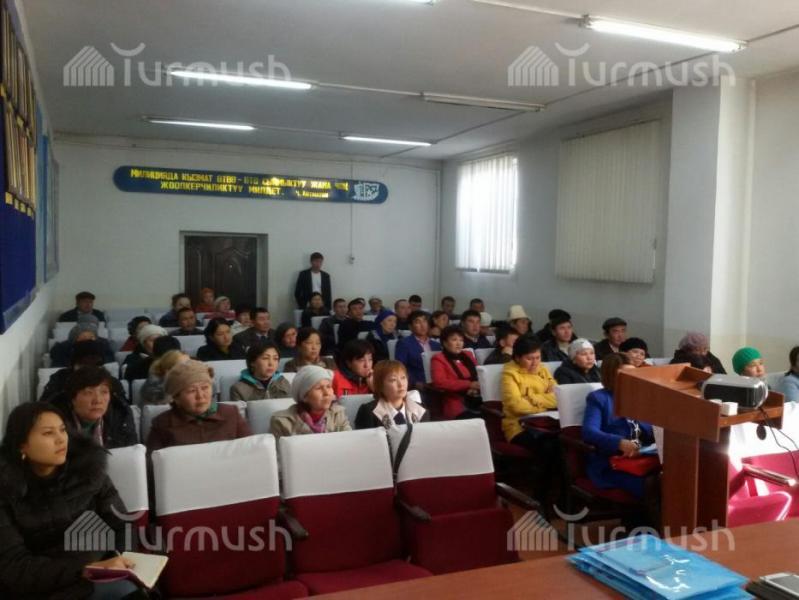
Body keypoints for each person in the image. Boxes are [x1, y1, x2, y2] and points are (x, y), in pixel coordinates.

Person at [0, 403, 138, 599]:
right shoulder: (6, 490)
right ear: (22, 445)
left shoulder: (88, 470)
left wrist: (126, 562)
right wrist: (86, 569)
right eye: (48, 433)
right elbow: (14, 567)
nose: (60, 439)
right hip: (41, 588)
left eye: (63, 430)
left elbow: (121, 524)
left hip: (101, 575)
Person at [582, 353, 656, 499]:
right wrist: (619, 442)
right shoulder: (599, 398)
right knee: (653, 485)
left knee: (675, 476)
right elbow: (589, 432)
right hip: (613, 462)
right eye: (624, 375)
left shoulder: (642, 398)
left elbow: (655, 428)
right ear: (611, 376)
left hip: (645, 457)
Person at [146, 360, 252, 452]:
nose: (200, 396)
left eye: (205, 387)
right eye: (191, 390)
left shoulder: (231, 414)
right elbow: (152, 464)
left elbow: (251, 451)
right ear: (176, 398)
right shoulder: (162, 424)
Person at [51, 366, 137, 449]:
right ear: (73, 399)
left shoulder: (121, 415)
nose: (98, 400)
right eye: (88, 393)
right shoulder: (52, 419)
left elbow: (129, 454)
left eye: (104, 392)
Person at [501, 337, 558, 445]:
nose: (535, 363)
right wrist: (546, 405)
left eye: (538, 358)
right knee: (549, 445)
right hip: (518, 426)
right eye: (529, 359)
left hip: (547, 421)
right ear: (517, 358)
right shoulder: (510, 374)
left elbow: (558, 396)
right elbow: (517, 406)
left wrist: (531, 398)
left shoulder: (542, 369)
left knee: (566, 439)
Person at [270, 365, 351, 439]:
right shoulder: (282, 422)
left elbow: (348, 442)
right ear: (304, 396)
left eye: (328, 386)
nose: (326, 393)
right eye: (319, 388)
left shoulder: (338, 414)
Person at [40, 340, 130, 405]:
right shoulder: (60, 378)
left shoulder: (110, 381)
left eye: (95, 365)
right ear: (74, 365)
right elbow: (45, 405)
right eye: (84, 365)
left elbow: (123, 408)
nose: (89, 371)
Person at [355, 361, 428, 429]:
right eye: (393, 380)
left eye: (403, 378)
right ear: (380, 385)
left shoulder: (420, 410)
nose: (401, 384)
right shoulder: (368, 412)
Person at [431, 326, 481, 419]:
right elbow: (440, 382)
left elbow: (479, 375)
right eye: (454, 340)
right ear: (445, 343)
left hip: (477, 397)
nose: (458, 343)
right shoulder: (438, 359)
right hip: (455, 401)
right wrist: (469, 385)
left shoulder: (468, 355)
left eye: (461, 340)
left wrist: (475, 388)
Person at [395, 310, 441, 390]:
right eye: (418, 322)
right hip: (417, 384)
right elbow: (400, 367)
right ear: (410, 327)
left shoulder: (436, 345)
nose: (422, 325)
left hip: (437, 383)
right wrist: (414, 383)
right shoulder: (404, 343)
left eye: (424, 321)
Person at [50, 317, 115, 368]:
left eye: (91, 337)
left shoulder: (102, 346)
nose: (88, 340)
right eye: (84, 337)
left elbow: (109, 363)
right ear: (75, 339)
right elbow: (58, 367)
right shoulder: (62, 350)